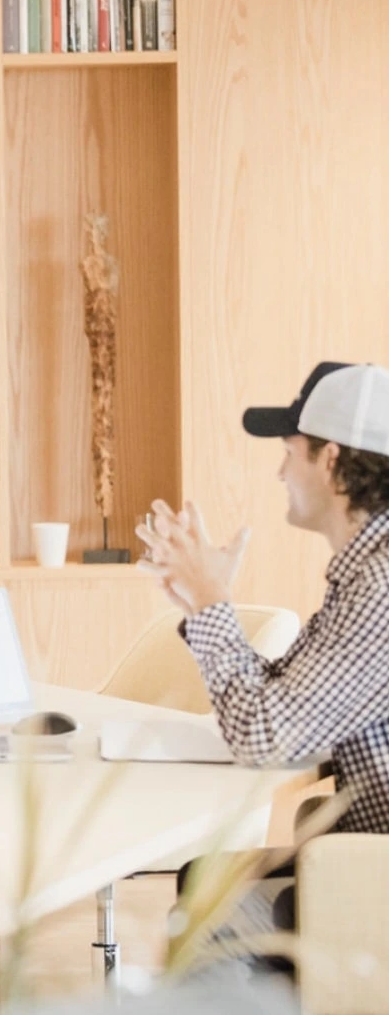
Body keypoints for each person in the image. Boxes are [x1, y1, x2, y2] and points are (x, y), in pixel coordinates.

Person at [141, 362, 389, 964]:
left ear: (330, 460)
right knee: (206, 880)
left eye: (289, 451)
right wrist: (206, 607)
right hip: (355, 853)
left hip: (370, 876)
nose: (281, 470)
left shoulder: (379, 584)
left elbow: (266, 733)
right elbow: (287, 701)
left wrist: (212, 604)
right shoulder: (365, 571)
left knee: (211, 897)